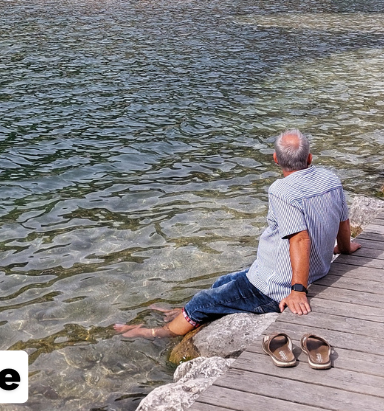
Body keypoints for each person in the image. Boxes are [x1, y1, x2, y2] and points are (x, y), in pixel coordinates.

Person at [113, 130, 360, 338]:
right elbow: (343, 220)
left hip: (276, 287)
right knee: (222, 283)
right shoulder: (331, 179)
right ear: (309, 157)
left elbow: (300, 238)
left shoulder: (281, 190)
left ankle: (152, 333)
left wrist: (297, 291)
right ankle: (188, 311)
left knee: (201, 300)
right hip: (309, 270)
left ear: (275, 159)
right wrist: (345, 248)